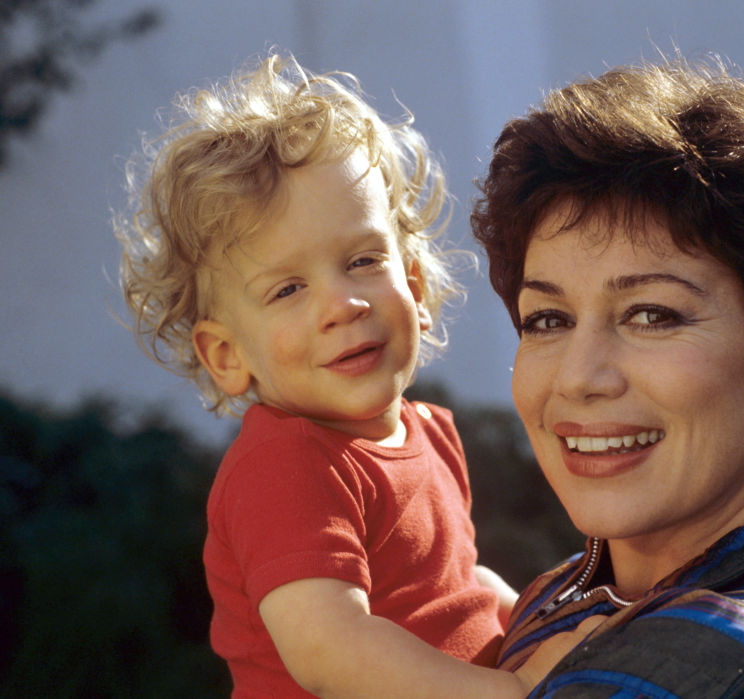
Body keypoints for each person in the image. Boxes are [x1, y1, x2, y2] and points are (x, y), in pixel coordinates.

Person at [115, 54, 592, 698]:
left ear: (415, 287)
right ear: (227, 355)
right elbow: (329, 646)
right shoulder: (286, 467)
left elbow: (459, 583)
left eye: (364, 260)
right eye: (287, 289)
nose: (343, 304)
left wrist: (547, 620)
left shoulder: (428, 432)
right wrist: (508, 692)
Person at [471, 58, 744, 697]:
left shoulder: (710, 659)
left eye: (651, 315)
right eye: (547, 319)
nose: (578, 377)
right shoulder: (588, 593)